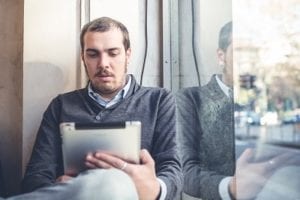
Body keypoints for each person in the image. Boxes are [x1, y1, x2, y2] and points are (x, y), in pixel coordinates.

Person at [22, 17, 182, 200]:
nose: (103, 64)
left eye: (113, 53)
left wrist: (155, 189)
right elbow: (36, 175)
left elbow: (172, 168)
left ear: (128, 55)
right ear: (83, 57)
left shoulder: (159, 100)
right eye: (93, 54)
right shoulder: (61, 105)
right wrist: (60, 188)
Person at [176, 21, 299, 200]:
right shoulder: (191, 99)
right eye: (240, 53)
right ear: (221, 56)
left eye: (254, 54)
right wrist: (231, 188)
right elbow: (184, 171)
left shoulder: (272, 99)